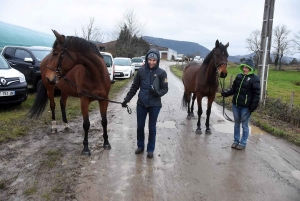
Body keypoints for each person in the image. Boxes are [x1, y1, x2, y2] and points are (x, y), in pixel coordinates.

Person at [121, 49, 168, 158]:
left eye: (154, 60)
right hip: (141, 104)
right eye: (150, 60)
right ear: (147, 60)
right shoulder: (141, 71)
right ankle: (140, 146)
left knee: (152, 127)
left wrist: (157, 93)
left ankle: (150, 149)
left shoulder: (162, 73)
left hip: (155, 105)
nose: (151, 62)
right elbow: (134, 87)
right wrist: (126, 99)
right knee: (140, 126)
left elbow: (165, 89)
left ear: (157, 61)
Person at [221, 58, 261, 150]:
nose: (244, 69)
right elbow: (233, 89)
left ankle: (243, 143)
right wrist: (226, 93)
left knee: (245, 126)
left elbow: (256, 94)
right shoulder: (239, 76)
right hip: (236, 105)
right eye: (243, 67)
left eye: (246, 68)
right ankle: (236, 141)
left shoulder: (255, 79)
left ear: (250, 68)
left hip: (246, 107)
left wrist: (253, 106)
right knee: (236, 124)